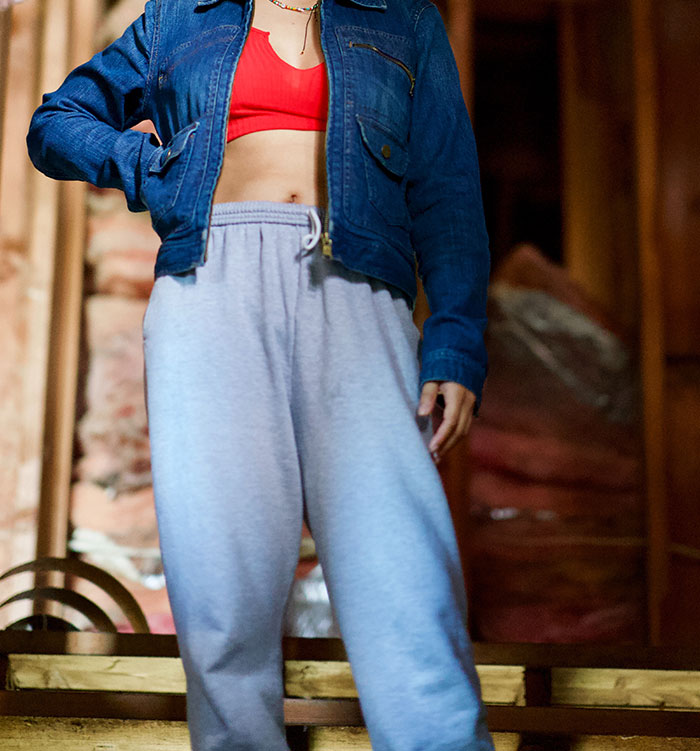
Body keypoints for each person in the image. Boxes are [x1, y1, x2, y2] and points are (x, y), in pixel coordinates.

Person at [27, 0, 495, 748]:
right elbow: (56, 124)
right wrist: (152, 169)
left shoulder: (404, 18)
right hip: (209, 288)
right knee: (224, 593)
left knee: (405, 576)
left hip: (358, 288)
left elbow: (448, 189)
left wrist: (455, 341)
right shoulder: (181, 16)